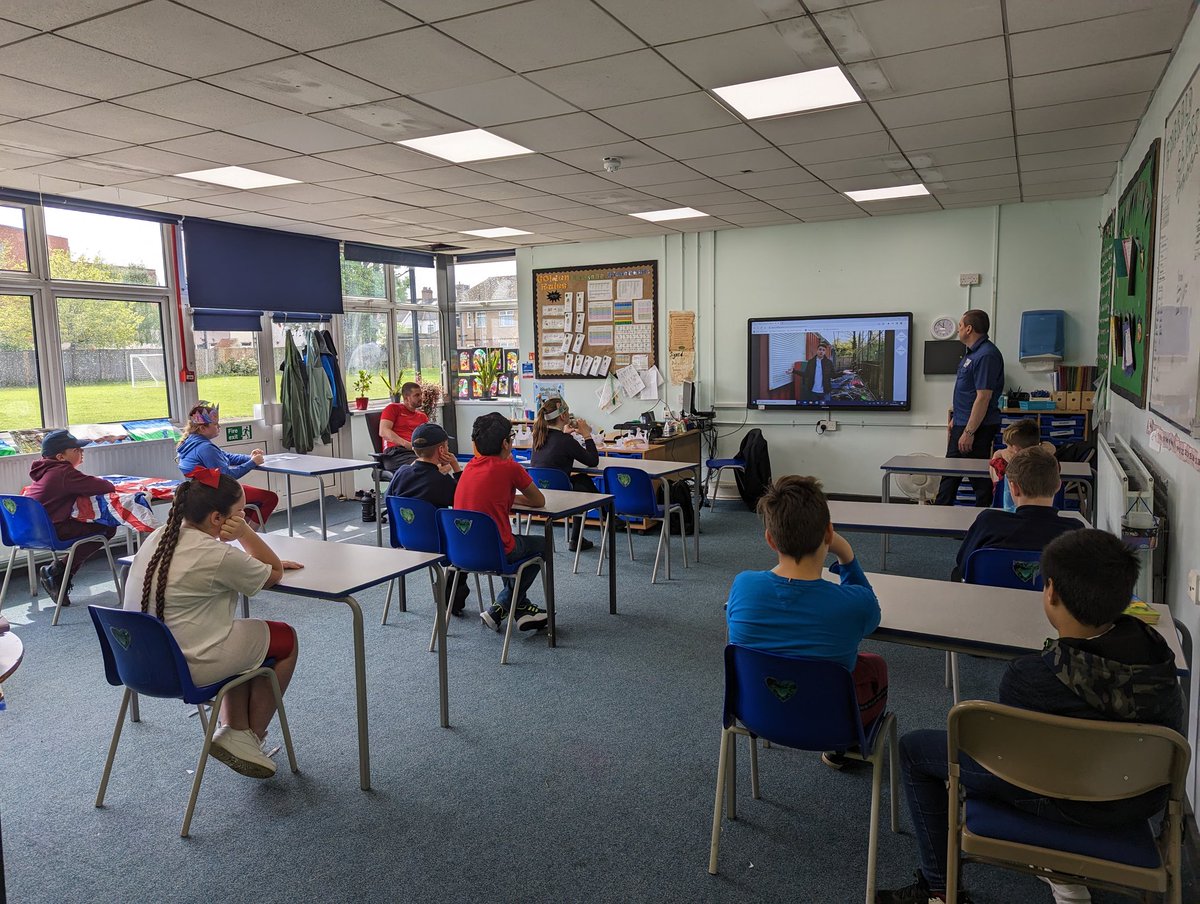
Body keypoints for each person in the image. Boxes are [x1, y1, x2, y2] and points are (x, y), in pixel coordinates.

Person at [877, 529, 1184, 904]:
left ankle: (940, 887)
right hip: (1139, 799)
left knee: (914, 751)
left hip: (1062, 798)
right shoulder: (1161, 657)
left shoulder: (1032, 677)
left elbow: (1011, 760)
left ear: (1051, 592)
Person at [122, 467, 303, 779]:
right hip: (188, 667)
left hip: (139, 665)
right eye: (240, 513)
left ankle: (234, 728)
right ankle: (248, 737)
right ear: (218, 518)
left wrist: (248, 563)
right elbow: (274, 573)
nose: (243, 517)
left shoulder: (157, 537)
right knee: (284, 639)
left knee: (243, 636)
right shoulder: (217, 555)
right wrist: (247, 535)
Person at [725, 475, 887, 769]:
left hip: (755, 714)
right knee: (873, 665)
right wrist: (846, 555)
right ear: (828, 534)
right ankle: (844, 751)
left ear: (770, 539)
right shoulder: (852, 603)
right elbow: (872, 617)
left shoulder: (743, 585)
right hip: (832, 726)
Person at [454, 413, 548, 633]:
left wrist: (504, 497)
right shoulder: (510, 468)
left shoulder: (469, 467)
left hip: (462, 551)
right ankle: (502, 606)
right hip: (496, 552)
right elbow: (538, 500)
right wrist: (509, 497)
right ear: (506, 443)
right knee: (543, 545)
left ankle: (521, 609)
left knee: (512, 542)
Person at [952, 447, 1080, 582]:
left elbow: (964, 566)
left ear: (1013, 488)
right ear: (1058, 486)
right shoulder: (1074, 532)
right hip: (1050, 601)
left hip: (990, 600)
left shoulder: (989, 522)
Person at [24, 430, 117, 606]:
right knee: (107, 528)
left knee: (93, 526)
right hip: (52, 531)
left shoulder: (44, 471)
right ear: (60, 456)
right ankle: (57, 572)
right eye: (76, 450)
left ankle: (57, 574)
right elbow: (106, 486)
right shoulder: (63, 472)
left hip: (29, 532)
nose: (82, 452)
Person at [386, 422, 470, 616]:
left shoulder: (400, 473)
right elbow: (462, 499)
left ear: (415, 450)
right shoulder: (441, 482)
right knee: (463, 544)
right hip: (438, 545)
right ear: (442, 450)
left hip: (406, 541)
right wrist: (456, 467)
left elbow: (389, 498)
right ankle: (453, 601)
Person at [935, 310, 1005, 507]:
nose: (957, 330)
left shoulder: (986, 355)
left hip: (977, 427)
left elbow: (983, 397)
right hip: (963, 422)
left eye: (959, 325)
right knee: (952, 472)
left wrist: (969, 431)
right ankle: (940, 516)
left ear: (969, 328)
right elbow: (967, 392)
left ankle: (984, 519)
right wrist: (956, 419)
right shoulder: (972, 354)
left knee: (977, 477)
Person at [176, 402, 278, 528]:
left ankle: (241, 533)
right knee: (270, 498)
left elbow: (226, 456)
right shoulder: (205, 448)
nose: (219, 426)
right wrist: (252, 463)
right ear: (202, 428)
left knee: (254, 500)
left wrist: (250, 458)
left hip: (203, 492)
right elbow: (227, 477)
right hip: (215, 494)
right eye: (215, 424)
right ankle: (247, 535)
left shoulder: (190, 442)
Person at [530, 396, 599, 552]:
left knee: (581, 481)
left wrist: (566, 434)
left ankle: (578, 538)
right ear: (563, 416)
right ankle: (607, 514)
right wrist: (586, 434)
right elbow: (592, 461)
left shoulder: (538, 437)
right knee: (582, 483)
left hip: (541, 492)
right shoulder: (565, 441)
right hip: (562, 495)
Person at [989, 418, 1056, 512]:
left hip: (1008, 514)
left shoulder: (1003, 466)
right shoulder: (1049, 466)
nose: (1006, 450)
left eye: (1009, 446)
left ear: (1018, 450)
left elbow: (994, 479)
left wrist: (997, 454)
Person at [378, 381, 428, 469]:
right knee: (426, 467)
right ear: (406, 398)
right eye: (416, 395)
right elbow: (383, 431)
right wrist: (406, 444)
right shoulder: (393, 409)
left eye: (421, 394)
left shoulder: (422, 416)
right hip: (396, 452)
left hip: (416, 452)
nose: (420, 398)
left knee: (443, 464)